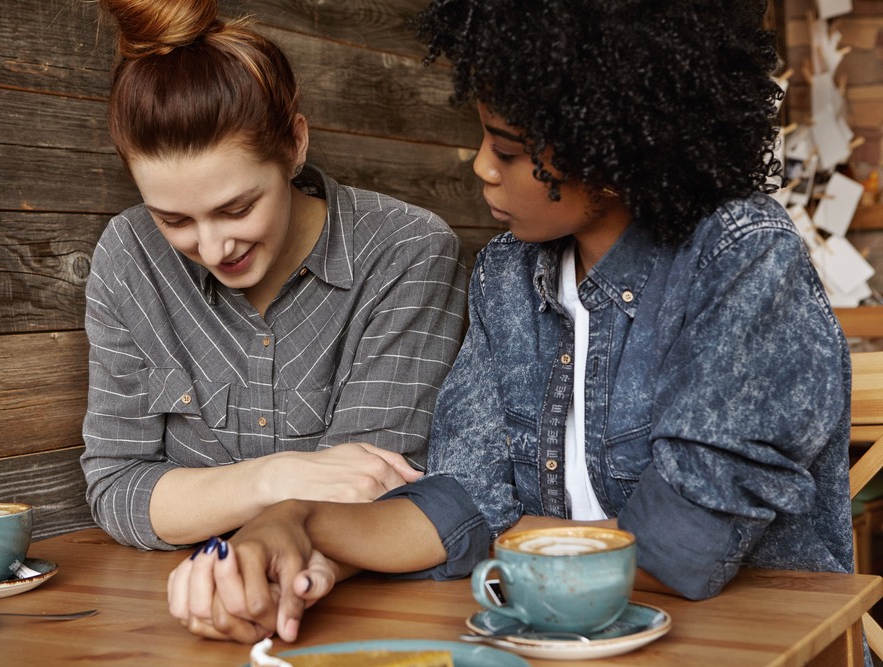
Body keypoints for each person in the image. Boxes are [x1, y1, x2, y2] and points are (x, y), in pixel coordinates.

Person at [167, 0, 856, 653]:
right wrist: (296, 521)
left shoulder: (741, 259)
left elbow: (685, 553)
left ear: (609, 149)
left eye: (507, 146)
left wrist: (522, 534)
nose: (480, 166)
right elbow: (464, 504)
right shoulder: (506, 274)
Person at [80, 0, 468, 551]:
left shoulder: (406, 252)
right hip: (170, 604)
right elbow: (116, 487)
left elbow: (370, 489)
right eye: (174, 219)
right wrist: (271, 479)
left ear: (293, 146)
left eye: (237, 209)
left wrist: (205, 502)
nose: (213, 247)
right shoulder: (129, 256)